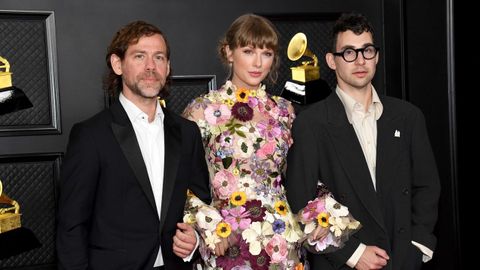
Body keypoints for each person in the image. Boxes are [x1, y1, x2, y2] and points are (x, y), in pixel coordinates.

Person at [175, 14, 359, 270]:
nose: (258, 62)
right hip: (228, 242)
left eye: (267, 53)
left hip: (284, 242)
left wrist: (320, 214)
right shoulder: (202, 110)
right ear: (229, 52)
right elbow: (176, 178)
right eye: (248, 51)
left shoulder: (284, 111)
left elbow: (300, 174)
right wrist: (208, 223)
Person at [285, 12, 441, 270]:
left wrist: (417, 247)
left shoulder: (408, 116)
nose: (359, 60)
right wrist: (353, 253)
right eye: (348, 52)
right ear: (331, 61)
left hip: (401, 258)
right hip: (344, 263)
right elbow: (300, 203)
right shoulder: (311, 124)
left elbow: (426, 187)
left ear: (376, 56)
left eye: (366, 51)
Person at [56, 21, 211, 270]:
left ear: (168, 67)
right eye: (140, 56)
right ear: (118, 64)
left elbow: (200, 200)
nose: (151, 66)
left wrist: (193, 238)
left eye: (159, 57)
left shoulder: (187, 132)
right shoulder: (90, 135)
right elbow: (71, 226)